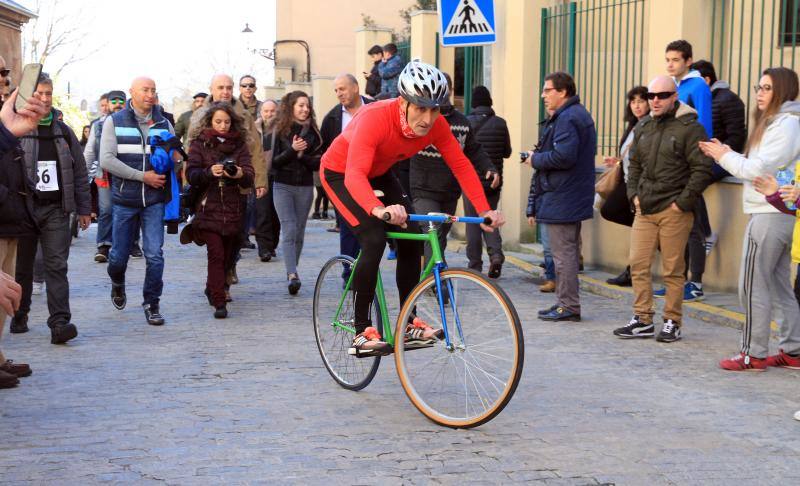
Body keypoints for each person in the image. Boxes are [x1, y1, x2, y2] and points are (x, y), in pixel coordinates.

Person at [319, 60, 503, 355]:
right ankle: (360, 331)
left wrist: (484, 210)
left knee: (412, 240)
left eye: (435, 108)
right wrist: (377, 210)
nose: (428, 118)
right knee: (375, 238)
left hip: (379, 172)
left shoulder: (437, 125)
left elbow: (461, 165)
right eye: (420, 107)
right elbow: (354, 175)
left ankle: (408, 322)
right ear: (404, 102)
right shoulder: (375, 117)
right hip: (341, 173)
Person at [699, 67, 800, 371]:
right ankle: (793, 349)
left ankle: (752, 353)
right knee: (779, 285)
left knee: (751, 285)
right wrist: (730, 153)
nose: (759, 92)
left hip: (769, 213)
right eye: (759, 86)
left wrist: (721, 156)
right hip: (774, 212)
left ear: (781, 91)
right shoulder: (779, 123)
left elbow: (756, 170)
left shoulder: (786, 125)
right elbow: (756, 164)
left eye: (767, 88)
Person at [613, 75, 712, 342]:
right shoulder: (644, 126)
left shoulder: (691, 128)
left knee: (672, 270)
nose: (654, 101)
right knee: (639, 265)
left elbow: (702, 169)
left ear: (674, 97)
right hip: (645, 208)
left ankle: (672, 321)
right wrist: (634, 194)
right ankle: (642, 319)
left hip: (674, 210)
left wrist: (682, 203)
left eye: (661, 96)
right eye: (651, 95)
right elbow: (634, 165)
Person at [8, 73, 91, 344]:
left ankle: (59, 323)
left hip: (56, 208)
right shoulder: (15, 128)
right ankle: (20, 313)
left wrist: (83, 208)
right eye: (39, 93)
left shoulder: (62, 130)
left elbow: (79, 171)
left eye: (48, 94)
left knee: (57, 265)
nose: (44, 99)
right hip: (24, 208)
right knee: (23, 267)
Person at [99, 77, 175, 326]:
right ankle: (118, 282)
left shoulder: (164, 122)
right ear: (132, 92)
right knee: (118, 257)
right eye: (145, 90)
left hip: (154, 200)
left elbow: (176, 157)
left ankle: (152, 304)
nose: (150, 94)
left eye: (153, 90)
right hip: (125, 200)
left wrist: (172, 160)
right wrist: (143, 177)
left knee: (154, 255)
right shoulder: (115, 121)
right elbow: (107, 160)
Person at [524, 72, 597, 322]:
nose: (543, 95)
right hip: (568, 194)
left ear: (562, 92)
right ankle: (566, 303)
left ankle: (568, 305)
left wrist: (535, 159)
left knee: (563, 255)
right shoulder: (572, 115)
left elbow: (564, 156)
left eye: (548, 90)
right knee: (566, 253)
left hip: (564, 195)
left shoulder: (568, 118)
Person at [410, 73, 497, 268]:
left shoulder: (463, 122)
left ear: (449, 91)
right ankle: (439, 279)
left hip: (450, 191)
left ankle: (430, 274)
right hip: (423, 189)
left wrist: (489, 167)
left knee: (440, 237)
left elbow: (473, 149)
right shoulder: (421, 119)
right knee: (434, 232)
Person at [189, 74, 267, 283]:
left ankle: (230, 264)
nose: (225, 91)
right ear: (212, 89)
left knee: (238, 232)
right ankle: (218, 279)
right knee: (214, 235)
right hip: (209, 186)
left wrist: (259, 180)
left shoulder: (242, 115)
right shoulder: (199, 115)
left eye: (229, 87)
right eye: (220, 87)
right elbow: (191, 149)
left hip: (239, 184)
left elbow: (255, 149)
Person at [0, 76, 51, 388]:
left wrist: (6, 134)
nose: (4, 80)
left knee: (6, 296)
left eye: (6, 73)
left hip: (11, 219)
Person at [186, 103, 254, 318]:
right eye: (218, 121)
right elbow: (192, 175)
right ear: (210, 122)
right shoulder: (200, 143)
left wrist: (239, 174)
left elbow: (250, 175)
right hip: (209, 206)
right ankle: (219, 301)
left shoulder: (240, 144)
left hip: (234, 207)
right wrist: (209, 172)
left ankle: (212, 287)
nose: (223, 126)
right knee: (215, 253)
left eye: (226, 121)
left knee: (228, 255)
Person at [659, 40, 714, 302]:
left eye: (676, 60)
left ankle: (696, 283)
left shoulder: (698, 87)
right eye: (668, 59)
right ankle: (676, 281)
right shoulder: (674, 88)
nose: (670, 64)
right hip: (672, 166)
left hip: (689, 166)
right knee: (675, 226)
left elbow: (703, 126)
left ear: (688, 61)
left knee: (694, 227)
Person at [267, 90, 323, 295]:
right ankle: (292, 274)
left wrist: (301, 156)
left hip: (305, 187)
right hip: (283, 185)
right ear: (291, 107)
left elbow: (318, 163)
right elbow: (273, 163)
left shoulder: (314, 133)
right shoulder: (280, 130)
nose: (305, 109)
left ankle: (293, 269)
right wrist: (292, 150)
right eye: (301, 105)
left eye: (307, 105)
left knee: (299, 232)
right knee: (289, 229)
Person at [602, 86, 650, 287]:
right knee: (609, 210)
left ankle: (632, 271)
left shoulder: (650, 125)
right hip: (628, 180)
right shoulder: (632, 126)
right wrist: (617, 162)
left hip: (641, 183)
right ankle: (652, 236)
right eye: (633, 101)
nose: (637, 106)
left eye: (641, 101)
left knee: (613, 211)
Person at [85, 90, 140, 263]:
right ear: (107, 104)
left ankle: (132, 243)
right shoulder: (97, 125)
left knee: (132, 210)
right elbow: (90, 151)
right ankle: (104, 245)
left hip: (130, 174)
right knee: (107, 210)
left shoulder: (134, 123)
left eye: (120, 101)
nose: (117, 104)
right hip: (105, 175)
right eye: (113, 101)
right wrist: (83, 177)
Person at [319, 74, 369, 263]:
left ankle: (367, 273)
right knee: (349, 226)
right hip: (343, 180)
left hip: (372, 177)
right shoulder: (332, 118)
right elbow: (325, 151)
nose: (339, 93)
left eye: (342, 89)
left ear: (355, 87)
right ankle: (349, 272)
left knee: (371, 229)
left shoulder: (374, 108)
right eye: (336, 90)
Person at [466, 85, 511, 278]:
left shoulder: (466, 122)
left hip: (472, 181)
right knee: (490, 218)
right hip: (494, 181)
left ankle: (475, 264)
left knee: (473, 223)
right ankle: (496, 256)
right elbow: (507, 152)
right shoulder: (501, 123)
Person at [254, 99, 281, 262]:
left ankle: (272, 246)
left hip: (278, 176)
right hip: (259, 177)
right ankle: (263, 248)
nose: (269, 114)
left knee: (275, 214)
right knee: (262, 212)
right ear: (261, 112)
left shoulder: (283, 130)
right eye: (266, 111)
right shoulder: (254, 130)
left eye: (272, 111)